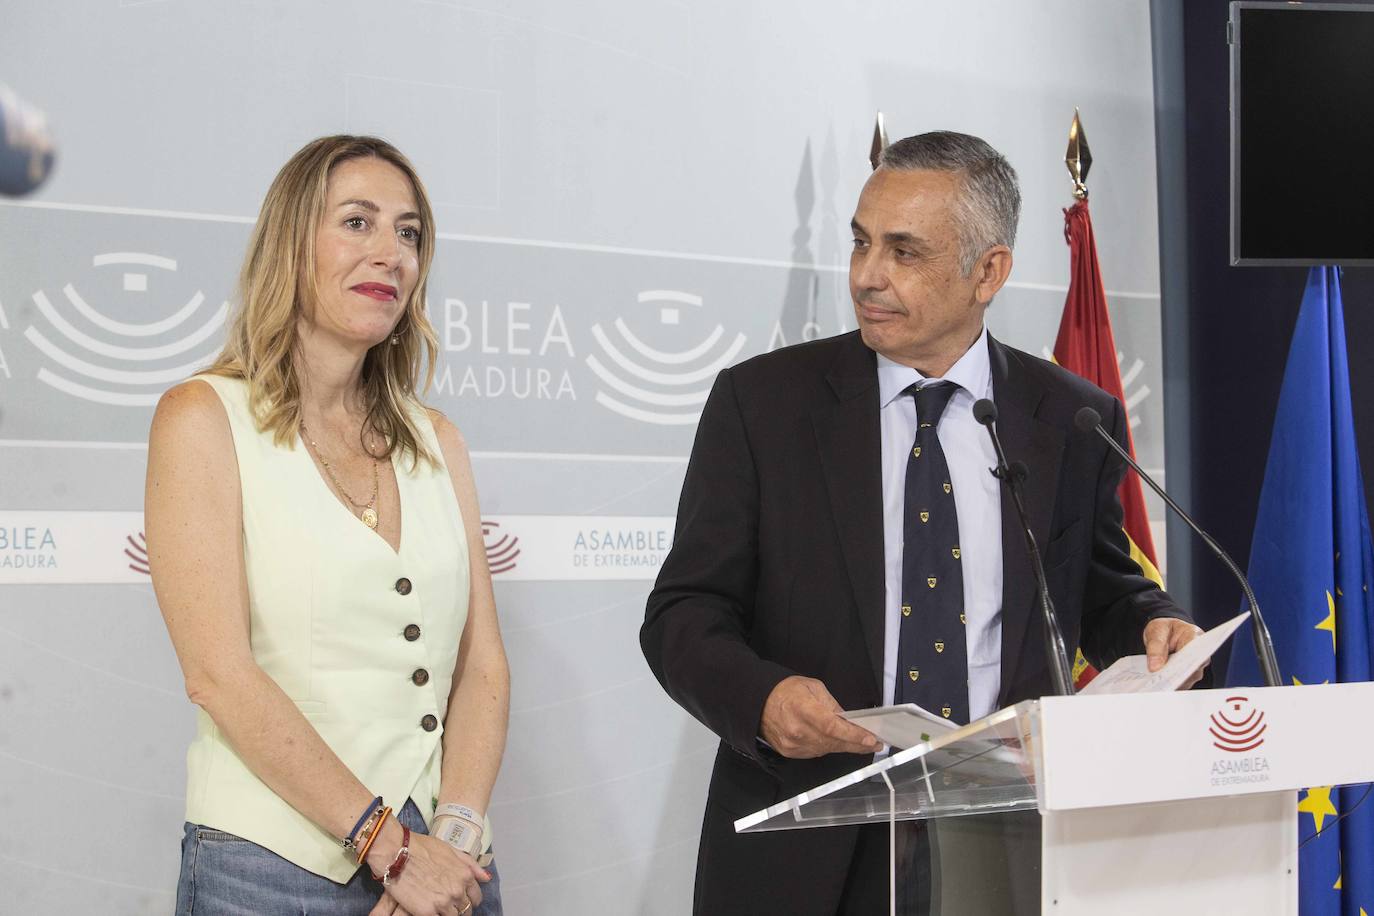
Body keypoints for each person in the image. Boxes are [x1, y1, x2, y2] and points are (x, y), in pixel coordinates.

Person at [640, 131, 1205, 914]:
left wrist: (1155, 623)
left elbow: (1101, 591)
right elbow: (683, 614)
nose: (867, 276)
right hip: (810, 840)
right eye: (862, 243)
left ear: (989, 272)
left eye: (904, 252)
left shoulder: (1069, 418)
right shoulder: (763, 405)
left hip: (1005, 837)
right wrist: (763, 700)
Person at [146, 135, 508, 916]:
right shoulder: (202, 419)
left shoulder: (436, 439)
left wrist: (452, 839)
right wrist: (393, 848)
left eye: (408, 234)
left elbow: (482, 666)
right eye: (357, 222)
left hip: (446, 868)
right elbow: (218, 672)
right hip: (267, 873)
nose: (391, 254)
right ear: (291, 242)